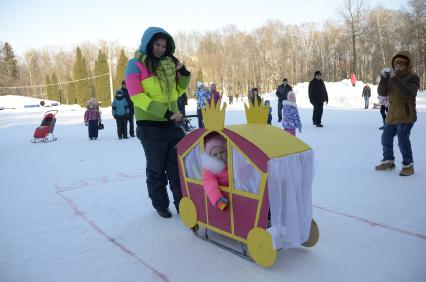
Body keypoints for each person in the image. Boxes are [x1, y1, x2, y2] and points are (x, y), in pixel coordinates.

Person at [125, 27, 191, 218]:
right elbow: (137, 96)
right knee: (156, 169)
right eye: (157, 44)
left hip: (172, 125)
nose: (161, 49)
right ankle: (161, 204)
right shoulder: (135, 64)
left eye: (164, 45)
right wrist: (165, 112)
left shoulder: (168, 65)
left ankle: (183, 205)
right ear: (148, 43)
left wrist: (184, 74)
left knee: (177, 169)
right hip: (150, 127)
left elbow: (176, 92)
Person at [374, 51, 420, 176]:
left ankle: (408, 164)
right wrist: (384, 78)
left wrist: (394, 78)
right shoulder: (391, 78)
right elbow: (382, 92)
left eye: (401, 66)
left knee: (402, 141)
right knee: (386, 138)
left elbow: (408, 93)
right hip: (392, 115)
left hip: (405, 116)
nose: (398, 68)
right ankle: (388, 161)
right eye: (396, 66)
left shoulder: (413, 77)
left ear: (407, 66)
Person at [201, 133, 229, 211]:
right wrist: (218, 199)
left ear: (226, 151)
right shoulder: (210, 169)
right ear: (210, 157)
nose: (219, 156)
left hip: (236, 193)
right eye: (215, 154)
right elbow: (209, 184)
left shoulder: (232, 163)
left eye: (222, 152)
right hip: (222, 197)